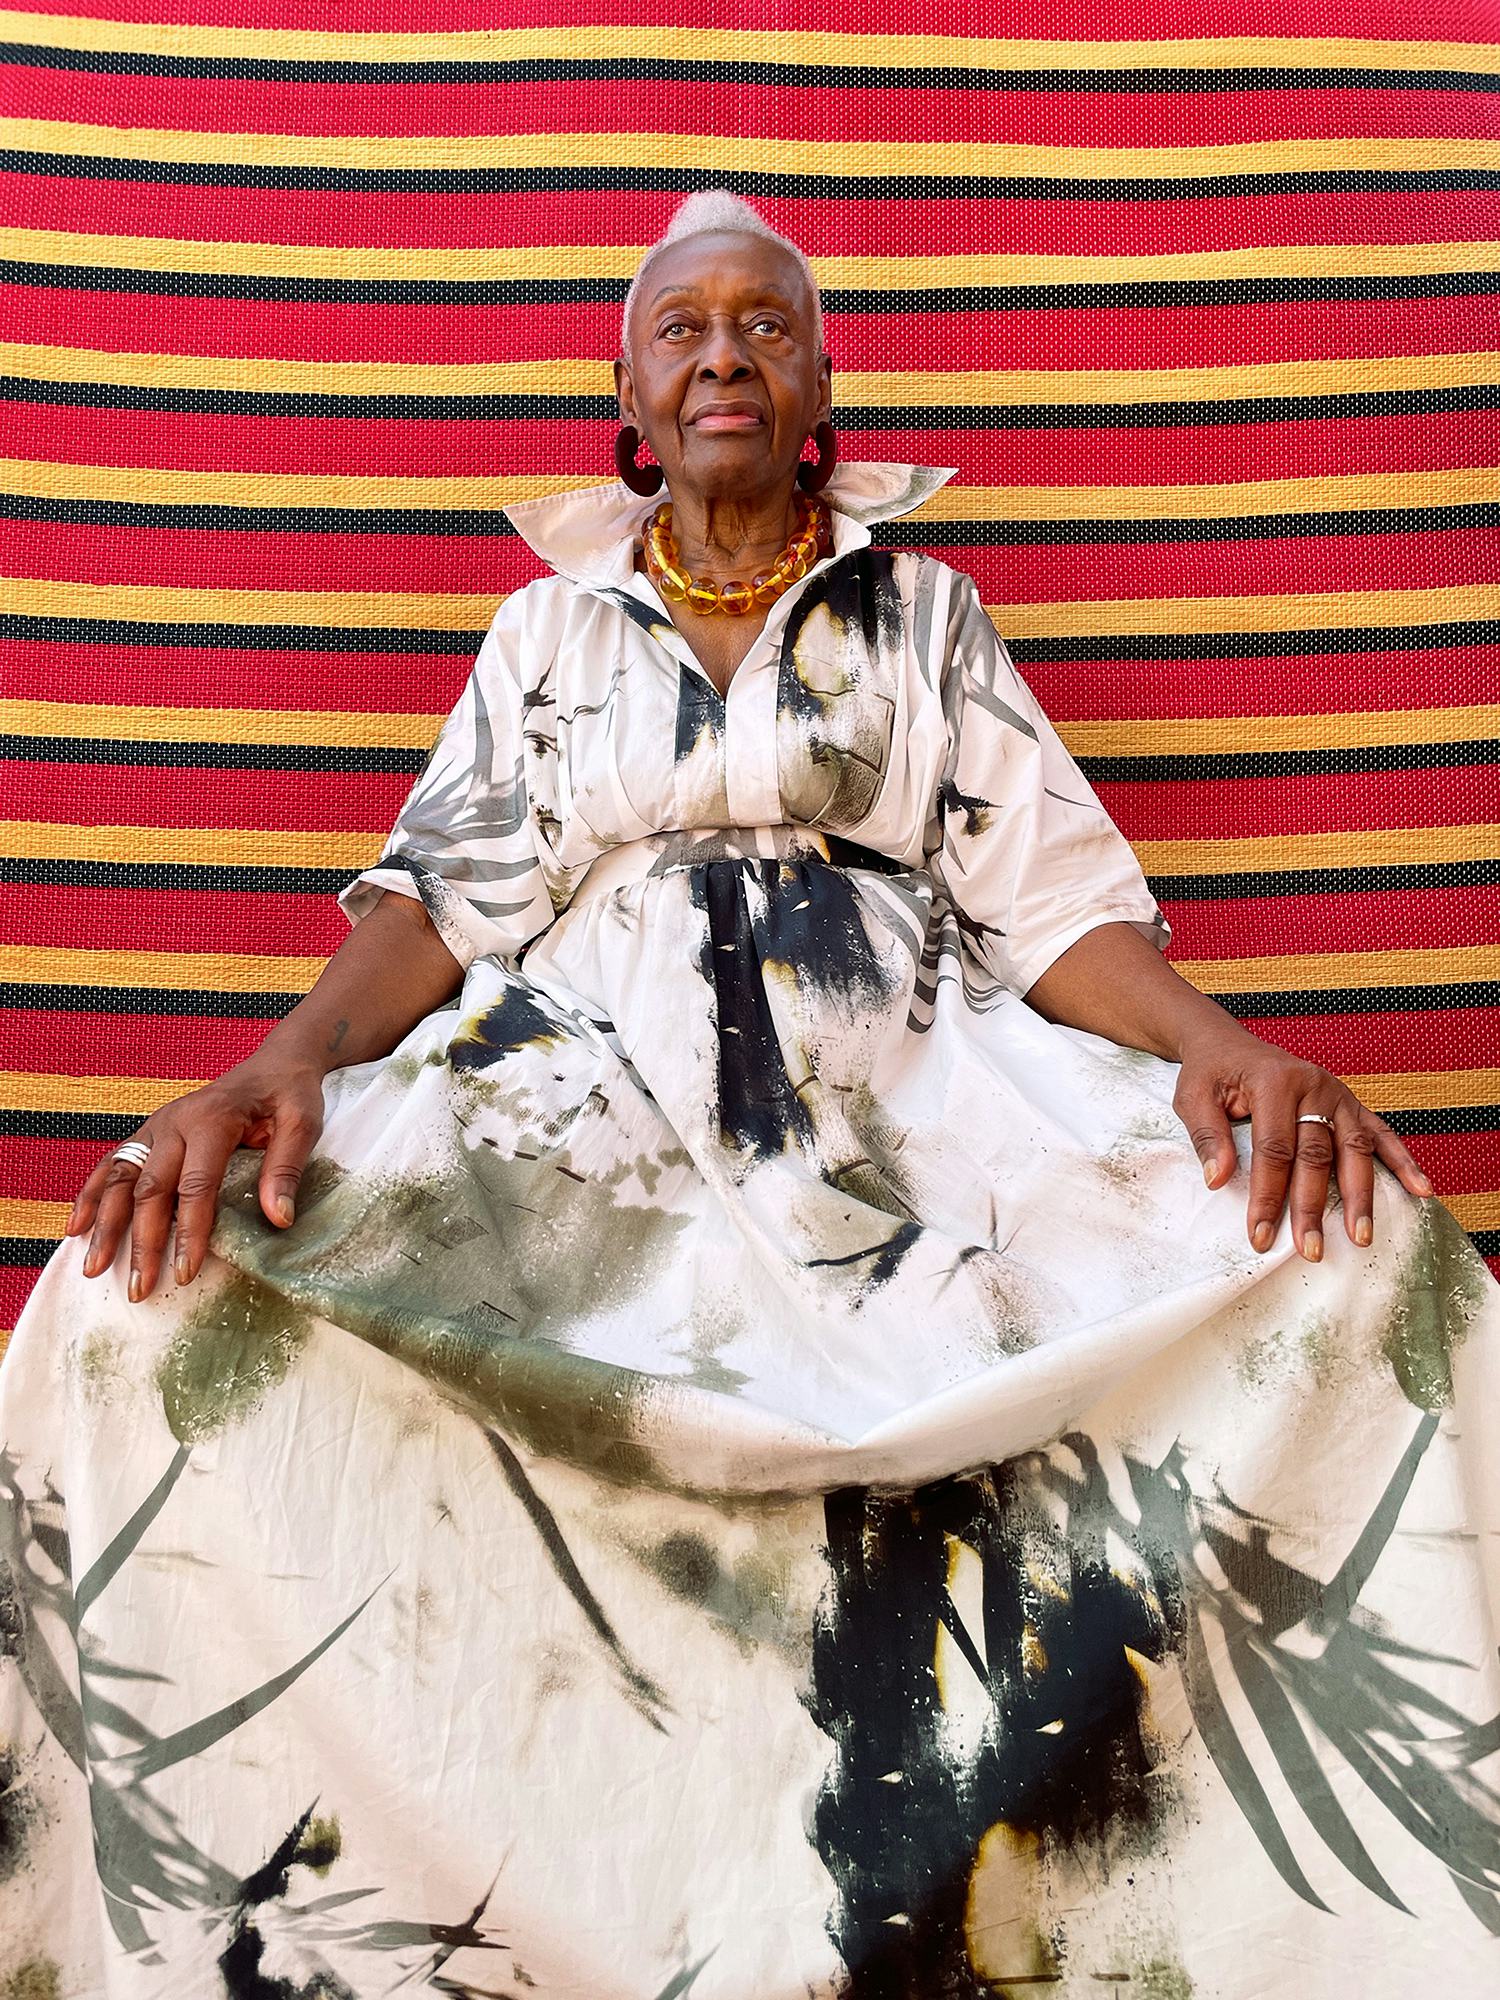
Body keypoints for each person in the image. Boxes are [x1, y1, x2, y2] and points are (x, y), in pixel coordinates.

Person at [2, 189, 1496, 1999]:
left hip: (909, 1116)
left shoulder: (926, 614)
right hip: (584, 1124)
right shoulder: (546, 633)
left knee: (1348, 1247)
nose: (725, 353)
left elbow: (1049, 906)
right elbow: (436, 907)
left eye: (767, 326)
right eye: (683, 329)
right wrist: (284, 1060)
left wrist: (1221, 1050)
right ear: (630, 399)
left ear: (818, 395)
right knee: (140, 1295)